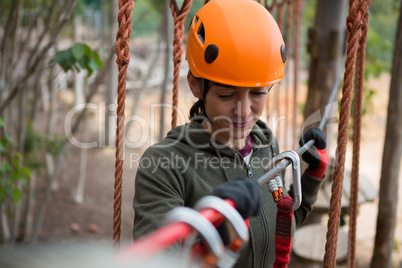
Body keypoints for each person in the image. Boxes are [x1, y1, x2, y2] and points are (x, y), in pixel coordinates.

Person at [133, 0, 329, 267]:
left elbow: (279, 229)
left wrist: (311, 178)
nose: (244, 111)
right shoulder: (165, 165)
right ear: (195, 85)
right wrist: (220, 228)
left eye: (258, 93)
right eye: (226, 95)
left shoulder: (264, 141)